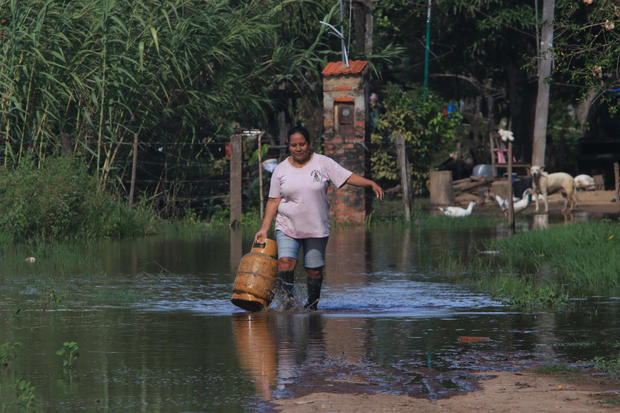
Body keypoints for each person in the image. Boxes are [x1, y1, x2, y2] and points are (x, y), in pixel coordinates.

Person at [254, 125, 384, 310]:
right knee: (285, 262)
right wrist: (264, 228)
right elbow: (273, 201)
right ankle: (287, 304)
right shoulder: (281, 170)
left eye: (302, 144)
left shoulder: (323, 163)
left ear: (309, 144)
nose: (298, 149)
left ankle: (312, 305)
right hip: (287, 225)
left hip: (316, 227)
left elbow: (347, 177)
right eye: (294, 145)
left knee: (313, 269)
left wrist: (370, 183)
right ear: (288, 146)